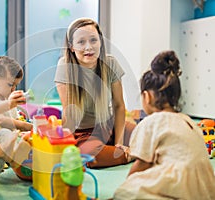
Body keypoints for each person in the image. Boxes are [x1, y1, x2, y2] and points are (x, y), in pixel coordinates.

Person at [114, 51, 215, 199]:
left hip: (180, 187)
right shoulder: (188, 121)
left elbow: (141, 165)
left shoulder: (151, 123)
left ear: (146, 97)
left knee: (124, 193)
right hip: (205, 190)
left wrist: (129, 181)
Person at [54, 18, 132, 168]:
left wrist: (119, 144)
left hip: (109, 125)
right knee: (89, 156)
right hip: (83, 133)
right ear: (71, 47)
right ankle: (136, 154)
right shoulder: (65, 66)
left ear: (100, 42)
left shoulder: (111, 63)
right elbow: (70, 114)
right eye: (81, 42)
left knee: (146, 135)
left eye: (93, 40)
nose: (88, 47)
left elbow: (119, 106)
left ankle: (128, 152)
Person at [0, 56, 33, 132]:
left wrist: (23, 122)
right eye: (10, 85)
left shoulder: (8, 98)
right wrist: (25, 126)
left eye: (16, 85)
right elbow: (0, 120)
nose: (14, 89)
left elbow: (15, 119)